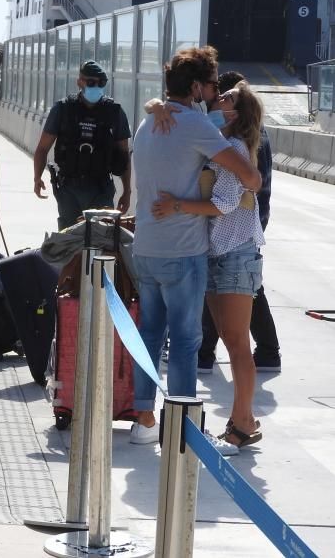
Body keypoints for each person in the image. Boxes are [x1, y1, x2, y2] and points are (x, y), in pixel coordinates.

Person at [129, 46, 261, 454]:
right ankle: (183, 427)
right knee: (185, 341)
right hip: (182, 250)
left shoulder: (147, 123)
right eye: (210, 86)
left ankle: (144, 419)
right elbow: (250, 178)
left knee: (149, 333)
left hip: (146, 247)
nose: (214, 94)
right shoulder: (195, 126)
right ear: (197, 87)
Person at [198, 72, 281, 373]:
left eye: (225, 97)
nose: (218, 100)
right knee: (235, 315)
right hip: (226, 236)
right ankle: (208, 352)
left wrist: (179, 206)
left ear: (237, 112)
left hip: (240, 232)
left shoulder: (236, 145)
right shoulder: (223, 140)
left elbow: (229, 199)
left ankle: (205, 353)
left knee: (236, 335)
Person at [33, 60, 132, 229]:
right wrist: (37, 177)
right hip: (69, 188)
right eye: (91, 82)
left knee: (101, 239)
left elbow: (124, 154)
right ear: (79, 81)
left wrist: (127, 191)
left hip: (100, 188)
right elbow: (42, 148)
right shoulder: (62, 109)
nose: (96, 87)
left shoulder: (114, 112)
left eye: (101, 83)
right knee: (69, 243)